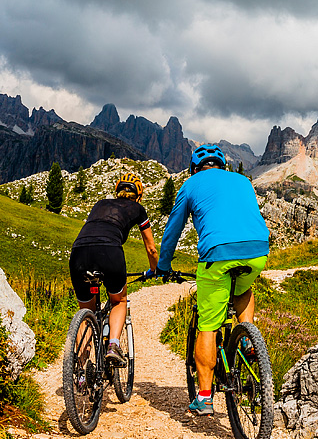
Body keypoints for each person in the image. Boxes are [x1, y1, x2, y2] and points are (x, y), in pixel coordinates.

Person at [157, 144, 270, 415]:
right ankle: (247, 338)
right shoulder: (243, 180)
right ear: (223, 166)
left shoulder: (190, 184)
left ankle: (205, 396)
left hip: (218, 254)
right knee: (243, 288)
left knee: (208, 325)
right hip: (258, 250)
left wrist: (163, 265)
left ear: (195, 168)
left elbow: (173, 229)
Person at [68, 172, 158, 367]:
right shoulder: (138, 208)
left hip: (79, 252)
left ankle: (80, 370)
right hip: (109, 251)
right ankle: (113, 346)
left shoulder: (100, 204)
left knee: (87, 310)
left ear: (117, 191)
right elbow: (151, 248)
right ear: (139, 196)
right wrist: (155, 269)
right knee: (119, 301)